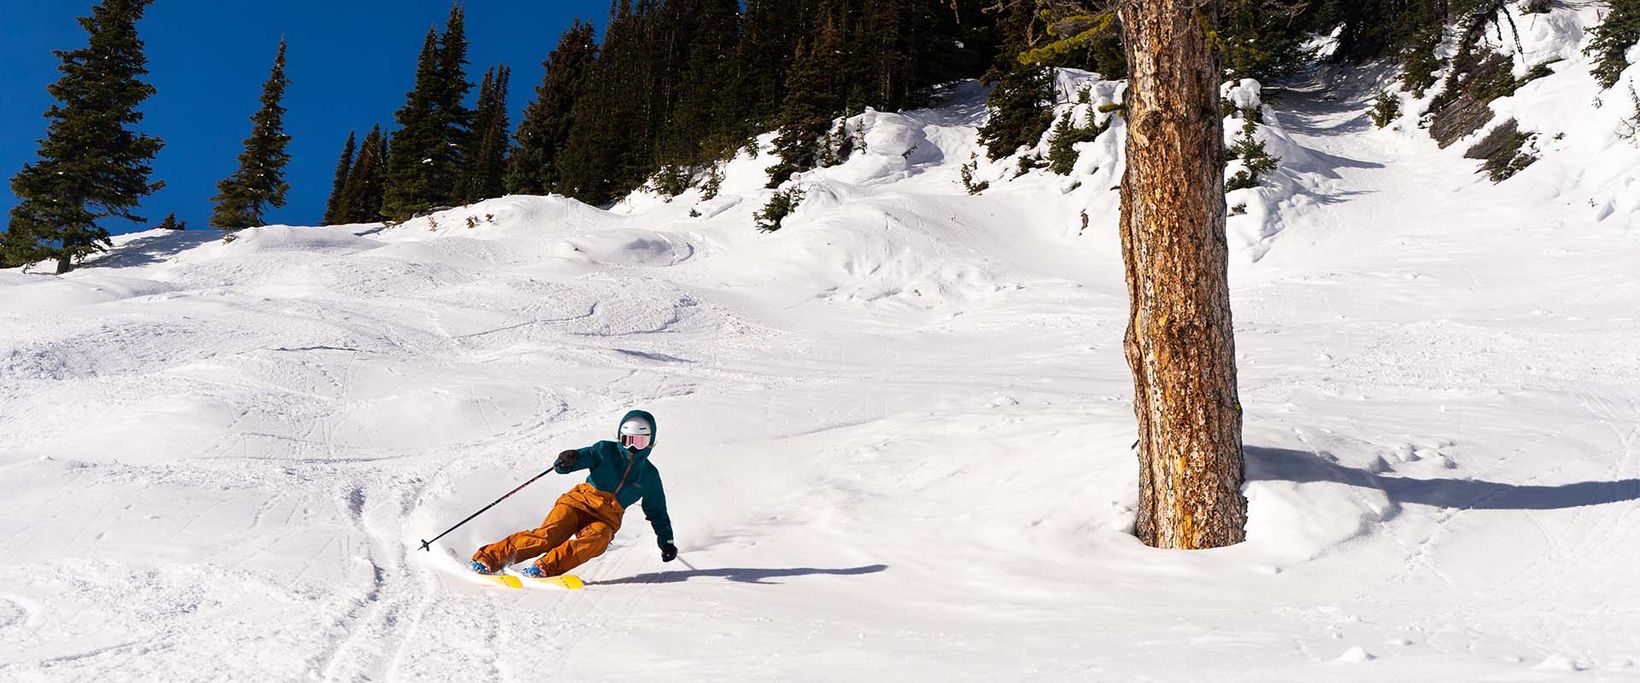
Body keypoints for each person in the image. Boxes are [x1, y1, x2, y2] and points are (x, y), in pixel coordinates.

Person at [470, 409, 677, 577]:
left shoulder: (649, 475)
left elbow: (657, 512)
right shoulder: (605, 450)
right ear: (619, 437)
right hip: (577, 503)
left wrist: (666, 541)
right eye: (627, 440)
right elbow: (579, 459)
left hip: (606, 518)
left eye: (638, 442)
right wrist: (567, 461)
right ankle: (489, 558)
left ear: (650, 442)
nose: (632, 447)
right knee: (547, 537)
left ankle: (545, 567)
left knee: (600, 538)